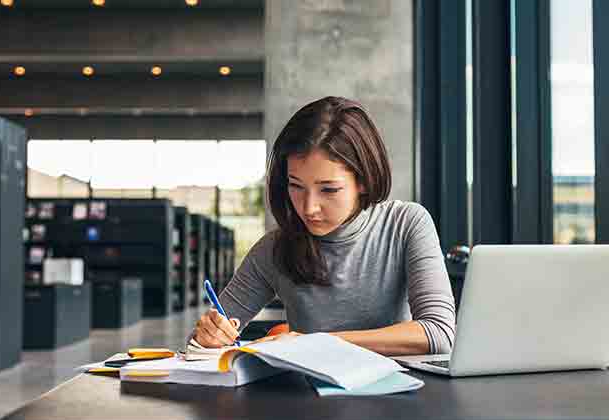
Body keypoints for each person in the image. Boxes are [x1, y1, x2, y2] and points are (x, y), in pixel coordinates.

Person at [192, 96, 456, 356]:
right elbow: (197, 349)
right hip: (309, 397)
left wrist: (314, 342)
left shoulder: (406, 224)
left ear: (363, 180)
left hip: (398, 394)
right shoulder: (273, 250)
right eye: (296, 186)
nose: (308, 208)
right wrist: (208, 337)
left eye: (328, 189)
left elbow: (439, 333)